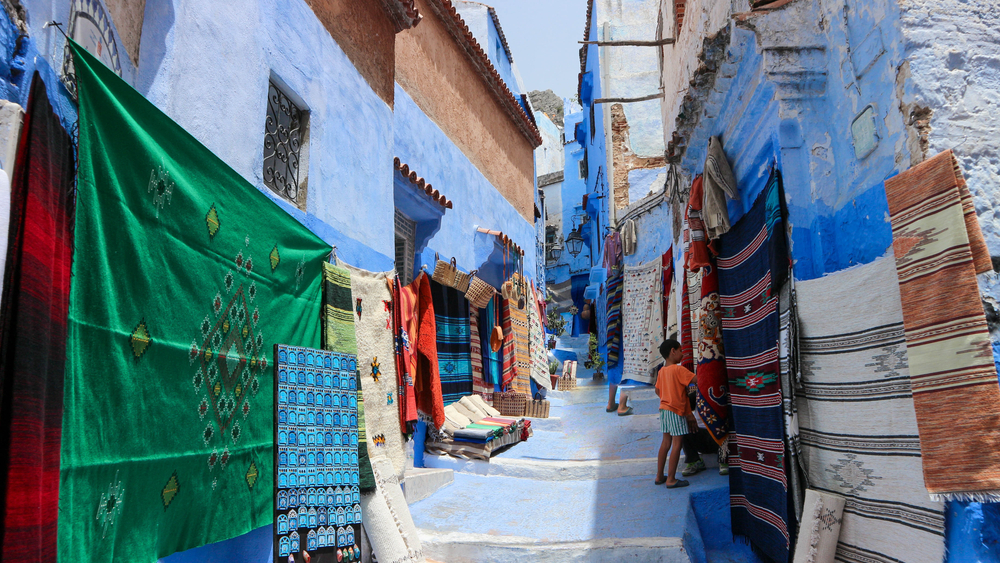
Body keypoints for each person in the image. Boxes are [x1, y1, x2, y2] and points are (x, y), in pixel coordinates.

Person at [654, 339, 697, 488]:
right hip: (676, 411)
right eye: (680, 350)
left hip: (664, 410)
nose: (683, 354)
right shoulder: (679, 370)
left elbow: (657, 390)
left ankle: (659, 476)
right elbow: (697, 380)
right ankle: (671, 479)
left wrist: (668, 397)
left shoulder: (662, 371)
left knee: (666, 443)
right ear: (673, 351)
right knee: (677, 444)